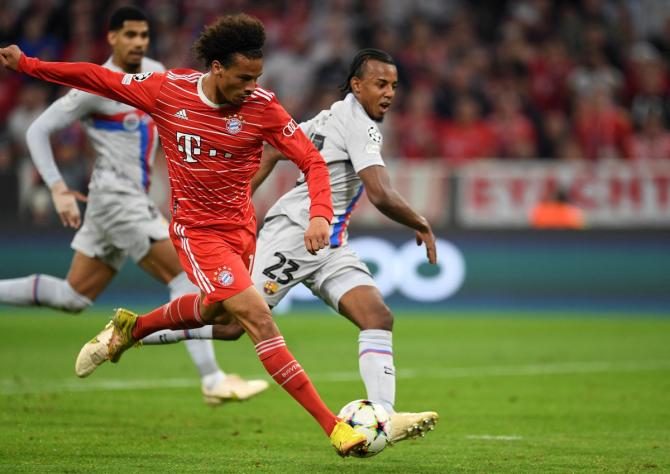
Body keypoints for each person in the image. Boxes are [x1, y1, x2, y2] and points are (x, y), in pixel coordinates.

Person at [0, 13, 366, 456]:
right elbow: (97, 77)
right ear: (216, 68)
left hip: (240, 229)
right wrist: (29, 65)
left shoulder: (263, 107)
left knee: (222, 317)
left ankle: (131, 328)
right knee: (256, 318)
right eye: (243, 77)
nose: (252, 86)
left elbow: (311, 160)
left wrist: (320, 215)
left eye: (257, 77)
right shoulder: (167, 89)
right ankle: (334, 427)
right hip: (196, 231)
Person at [136, 49, 440, 444]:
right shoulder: (359, 125)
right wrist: (422, 223)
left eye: (394, 87)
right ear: (357, 85)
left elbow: (279, 148)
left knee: (377, 317)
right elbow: (380, 193)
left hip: (329, 243)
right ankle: (138, 332)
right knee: (230, 325)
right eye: (381, 84)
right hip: (295, 236)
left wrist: (243, 194)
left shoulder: (333, 115)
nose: (389, 94)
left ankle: (385, 416)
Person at [0, 6, 268, 406]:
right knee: (185, 278)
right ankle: (212, 379)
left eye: (143, 35)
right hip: (115, 197)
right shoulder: (100, 86)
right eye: (130, 35)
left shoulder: (159, 75)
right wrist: (56, 187)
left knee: (74, 296)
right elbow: (40, 129)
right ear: (112, 38)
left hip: (128, 200)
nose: (138, 42)